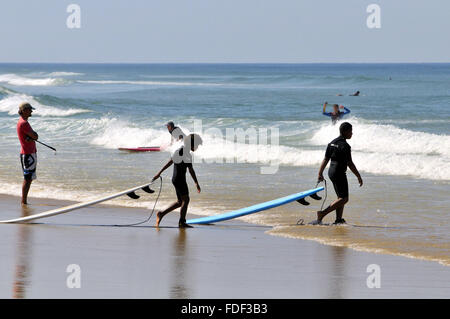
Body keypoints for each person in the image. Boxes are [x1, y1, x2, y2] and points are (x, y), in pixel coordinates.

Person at [314, 122, 363, 225]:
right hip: (339, 173)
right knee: (344, 198)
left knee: (340, 197)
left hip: (331, 172)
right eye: (350, 131)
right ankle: (322, 214)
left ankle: (338, 219)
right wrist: (358, 176)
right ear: (345, 131)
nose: (352, 133)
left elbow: (326, 159)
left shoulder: (331, 143)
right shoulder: (345, 146)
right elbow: (350, 163)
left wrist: (320, 173)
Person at [152, 133, 203, 228]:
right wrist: (159, 173)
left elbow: (188, 168)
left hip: (177, 179)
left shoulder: (184, 152)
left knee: (180, 202)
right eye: (196, 145)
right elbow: (172, 162)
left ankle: (161, 214)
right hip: (179, 179)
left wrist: (196, 183)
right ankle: (182, 222)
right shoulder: (183, 152)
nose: (197, 147)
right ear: (191, 144)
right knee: (186, 200)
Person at [17, 102, 38, 205]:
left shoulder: (22, 122)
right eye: (30, 109)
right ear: (24, 110)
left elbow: (33, 136)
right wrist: (34, 135)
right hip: (28, 154)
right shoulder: (24, 123)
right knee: (28, 178)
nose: (31, 111)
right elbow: (35, 136)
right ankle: (24, 202)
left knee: (29, 178)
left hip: (28, 153)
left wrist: (32, 136)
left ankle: (24, 201)